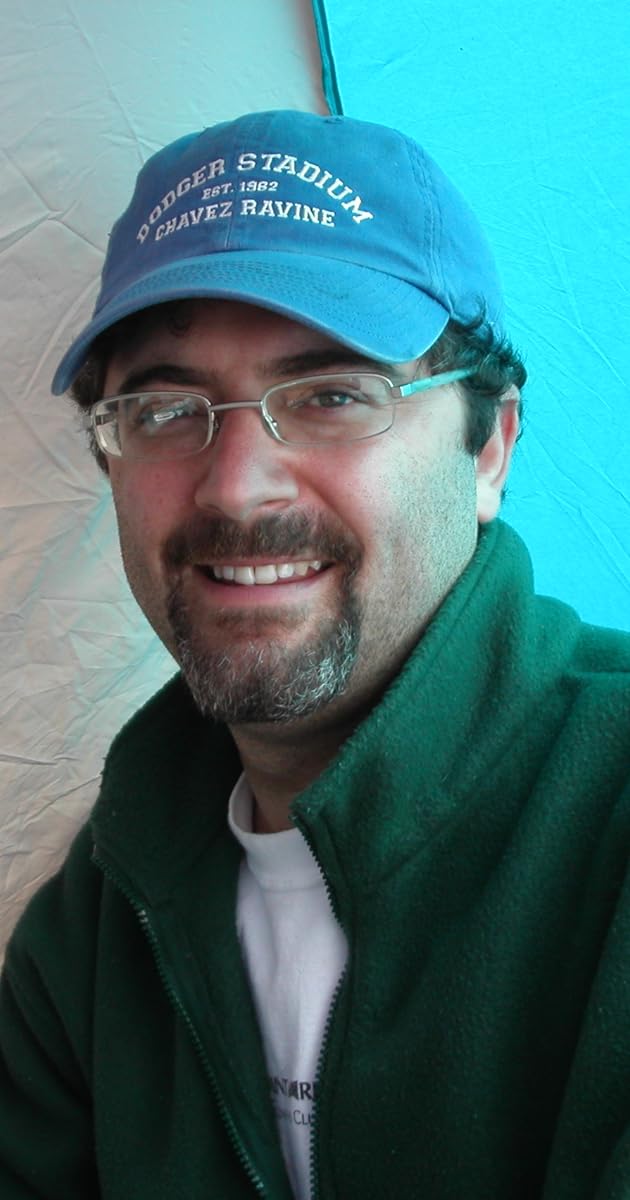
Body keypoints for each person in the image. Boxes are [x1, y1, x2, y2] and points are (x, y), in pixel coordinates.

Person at [1, 109, 629, 1200]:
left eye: (334, 395)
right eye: (165, 408)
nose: (237, 486)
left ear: (489, 448)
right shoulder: (97, 919)